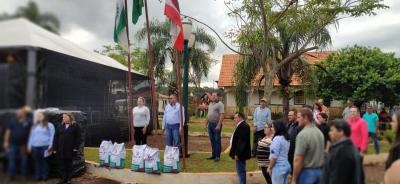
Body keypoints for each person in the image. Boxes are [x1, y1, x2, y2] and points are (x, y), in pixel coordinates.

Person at [322, 120, 362, 184]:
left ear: (341, 132)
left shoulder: (342, 152)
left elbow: (338, 179)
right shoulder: (351, 148)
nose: (329, 133)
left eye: (332, 130)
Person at [292, 108, 325, 184]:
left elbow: (298, 159)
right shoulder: (319, 132)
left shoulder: (303, 135)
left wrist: (294, 179)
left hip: (307, 173)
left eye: (299, 117)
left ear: (305, 118)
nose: (297, 120)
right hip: (320, 172)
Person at [3, 108, 32, 181]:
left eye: (20, 113)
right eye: (17, 113)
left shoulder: (28, 121)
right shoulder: (13, 121)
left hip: (23, 145)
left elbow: (32, 132)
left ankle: (24, 176)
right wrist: (6, 142)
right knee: (11, 160)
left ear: (24, 114)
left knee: (24, 161)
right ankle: (11, 176)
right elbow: (8, 132)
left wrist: (30, 144)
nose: (18, 114)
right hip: (12, 144)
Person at [53, 113, 81, 184]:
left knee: (69, 165)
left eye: (65, 117)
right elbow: (55, 138)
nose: (63, 118)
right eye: (63, 117)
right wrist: (54, 148)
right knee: (62, 165)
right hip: (60, 150)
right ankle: (63, 179)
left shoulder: (75, 126)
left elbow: (78, 138)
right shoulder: (60, 126)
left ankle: (69, 179)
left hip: (70, 150)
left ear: (70, 117)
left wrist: (75, 148)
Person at [28, 111, 55, 181]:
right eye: (38, 116)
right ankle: (38, 176)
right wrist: (29, 146)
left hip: (45, 147)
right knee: (37, 162)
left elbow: (52, 136)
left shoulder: (50, 125)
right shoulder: (34, 126)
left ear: (44, 117)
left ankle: (45, 176)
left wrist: (51, 145)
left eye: (40, 116)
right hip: (35, 147)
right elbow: (31, 137)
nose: (38, 117)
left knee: (45, 162)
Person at [347, 107, 368, 184]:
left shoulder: (362, 122)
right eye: (351, 111)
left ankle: (361, 181)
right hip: (349, 148)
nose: (352, 113)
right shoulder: (348, 122)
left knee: (358, 167)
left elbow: (365, 136)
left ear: (357, 113)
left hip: (358, 148)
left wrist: (362, 150)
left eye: (354, 111)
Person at [229, 112, 251, 184]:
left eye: (235, 118)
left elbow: (242, 142)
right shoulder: (240, 125)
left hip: (240, 154)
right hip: (239, 153)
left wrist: (237, 154)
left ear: (240, 117)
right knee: (240, 171)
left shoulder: (243, 126)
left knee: (241, 171)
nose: (234, 119)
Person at [268, 120, 291, 184]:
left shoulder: (277, 139)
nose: (271, 129)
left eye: (272, 127)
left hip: (279, 167)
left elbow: (274, 156)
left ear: (277, 128)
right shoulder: (286, 138)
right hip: (286, 165)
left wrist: (270, 167)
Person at [205, 92, 224, 162]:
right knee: (212, 140)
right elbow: (208, 114)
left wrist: (219, 125)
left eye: (215, 95)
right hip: (210, 124)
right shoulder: (210, 104)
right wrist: (206, 123)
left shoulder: (220, 104)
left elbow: (222, 115)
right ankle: (213, 155)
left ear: (217, 97)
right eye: (212, 95)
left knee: (217, 140)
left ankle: (217, 156)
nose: (213, 97)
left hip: (216, 124)